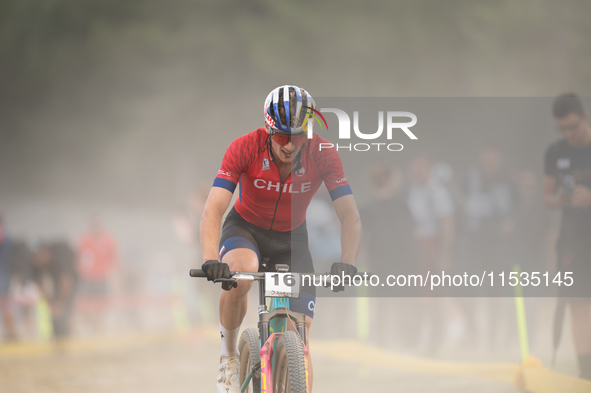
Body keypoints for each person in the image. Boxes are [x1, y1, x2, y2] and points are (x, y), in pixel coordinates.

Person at [199, 85, 362, 393]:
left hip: (291, 239)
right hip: (245, 229)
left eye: (298, 136)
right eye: (282, 136)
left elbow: (349, 215)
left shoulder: (323, 153)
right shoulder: (245, 147)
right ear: (267, 128)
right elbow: (214, 209)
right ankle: (229, 356)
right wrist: (210, 259)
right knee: (242, 275)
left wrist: (347, 263)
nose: (290, 145)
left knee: (299, 336)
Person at [544, 93, 591, 380]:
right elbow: (546, 197)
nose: (568, 134)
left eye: (573, 126)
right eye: (562, 128)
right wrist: (564, 198)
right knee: (578, 305)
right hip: (573, 239)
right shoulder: (555, 152)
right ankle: (586, 373)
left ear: (584, 117)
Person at [76, 217, 119, 335]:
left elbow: (113, 261)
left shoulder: (108, 240)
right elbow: (79, 259)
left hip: (102, 278)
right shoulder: (84, 240)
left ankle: (99, 328)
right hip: (87, 279)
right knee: (86, 306)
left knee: (101, 306)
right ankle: (90, 325)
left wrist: (114, 280)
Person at [31, 240, 78, 340]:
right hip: (57, 283)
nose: (37, 259)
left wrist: (60, 304)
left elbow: (66, 282)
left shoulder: (59, 258)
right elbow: (39, 282)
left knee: (67, 312)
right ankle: (57, 339)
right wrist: (50, 303)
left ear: (45, 252)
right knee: (54, 314)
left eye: (39, 256)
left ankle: (72, 339)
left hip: (73, 281)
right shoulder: (36, 262)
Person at [0, 214, 16, 340]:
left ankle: (11, 333)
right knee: (5, 305)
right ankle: (10, 332)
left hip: (3, 275)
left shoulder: (2, 234)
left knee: (4, 305)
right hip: (5, 274)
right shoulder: (6, 233)